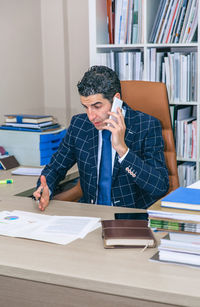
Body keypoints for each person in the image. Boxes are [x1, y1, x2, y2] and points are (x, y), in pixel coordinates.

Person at [33, 65, 169, 211]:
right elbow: (55, 168)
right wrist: (44, 188)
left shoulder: (146, 125)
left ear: (116, 99)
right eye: (86, 107)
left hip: (131, 220)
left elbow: (159, 186)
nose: (91, 116)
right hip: (90, 216)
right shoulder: (79, 124)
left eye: (97, 106)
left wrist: (123, 150)